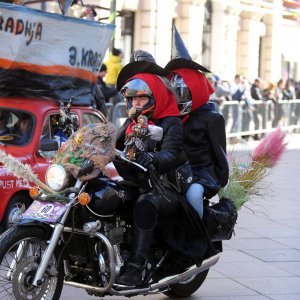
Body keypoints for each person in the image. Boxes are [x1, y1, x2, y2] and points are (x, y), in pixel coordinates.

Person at [114, 67, 213, 286]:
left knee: (145, 204)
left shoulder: (170, 122)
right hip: (138, 181)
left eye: (142, 98)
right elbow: (113, 144)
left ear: (156, 95)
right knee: (106, 196)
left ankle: (135, 267)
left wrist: (151, 157)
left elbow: (172, 152)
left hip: (165, 187)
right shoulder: (131, 122)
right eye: (132, 99)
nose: (136, 104)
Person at [165, 25, 229, 219]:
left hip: (200, 174)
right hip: (171, 171)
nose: (178, 98)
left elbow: (219, 155)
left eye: (182, 92)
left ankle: (197, 234)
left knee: (193, 195)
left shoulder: (212, 119)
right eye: (174, 92)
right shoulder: (169, 116)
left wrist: (219, 180)